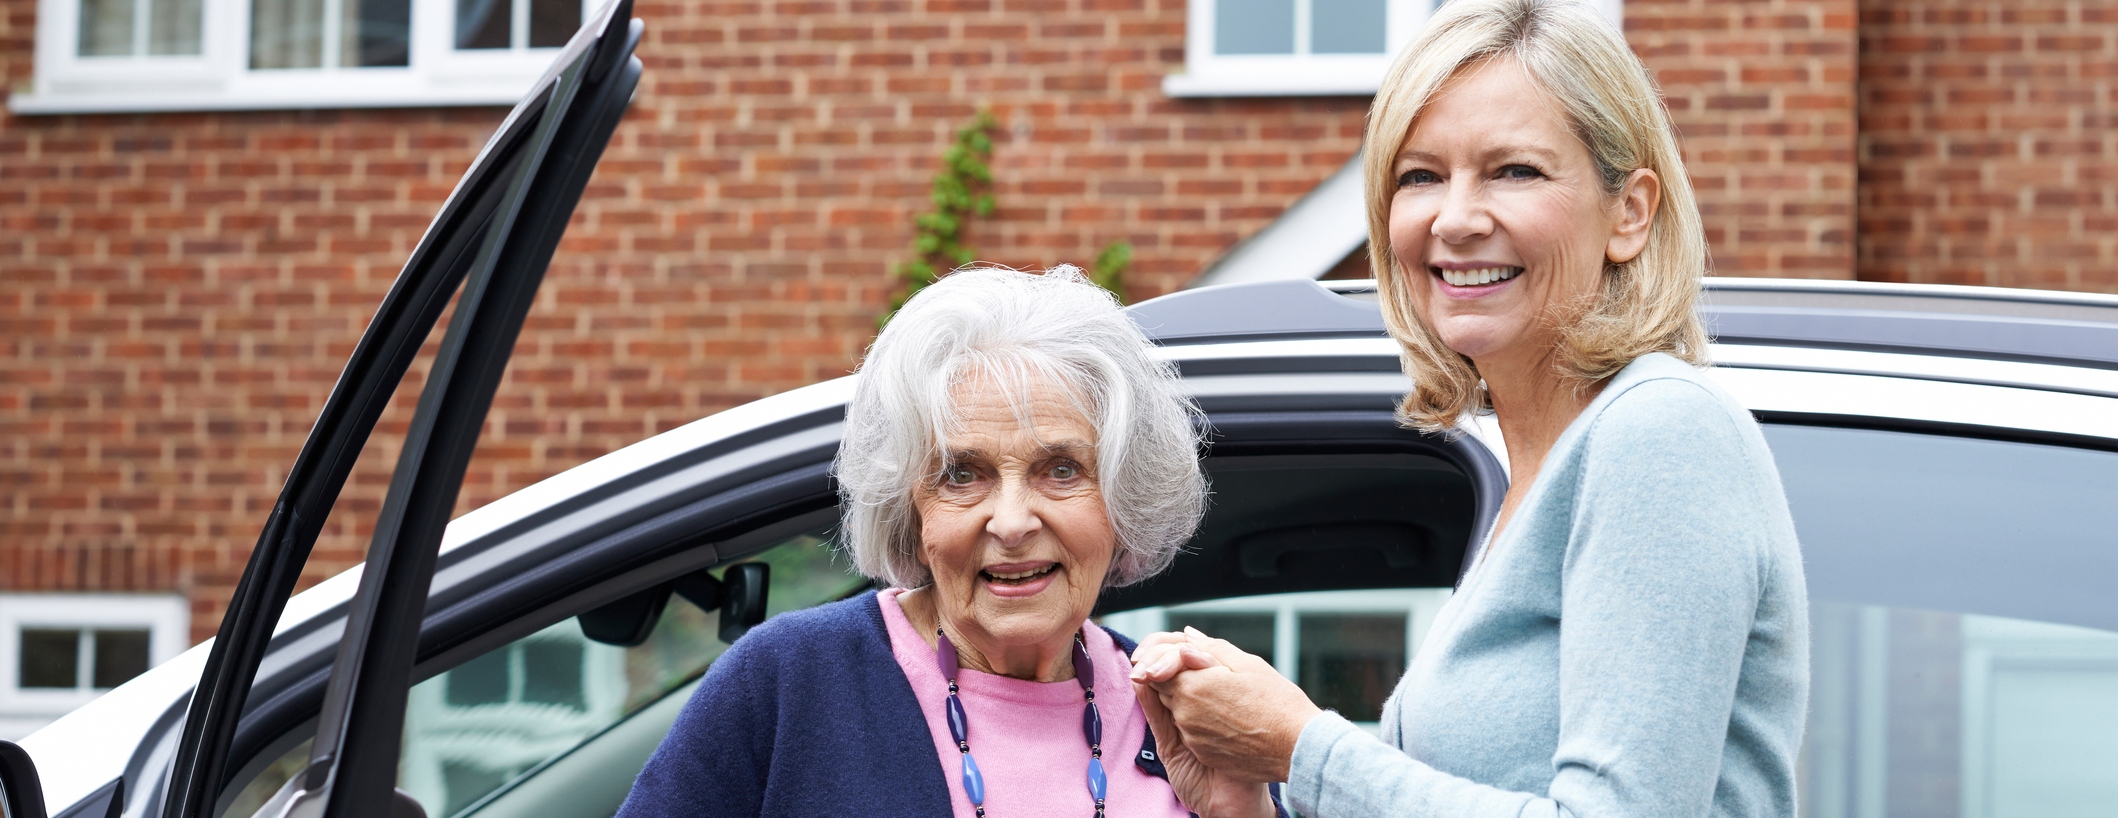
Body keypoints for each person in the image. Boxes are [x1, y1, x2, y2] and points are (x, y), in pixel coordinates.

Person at [1128, 1, 1810, 816]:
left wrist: (1303, 749)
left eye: (1513, 170)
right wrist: (1257, 804)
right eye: (1420, 176)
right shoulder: (1535, 480)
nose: (1454, 219)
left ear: (1630, 213)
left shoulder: (1658, 431)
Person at [615, 266, 1216, 817]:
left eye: (1060, 469)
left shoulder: (1184, 715)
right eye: (962, 473)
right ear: (910, 507)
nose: (1011, 523)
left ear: (1122, 496)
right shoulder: (790, 681)